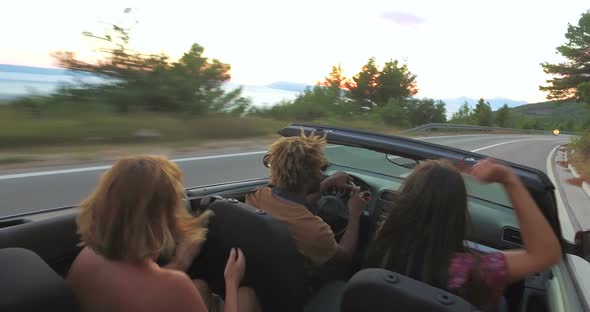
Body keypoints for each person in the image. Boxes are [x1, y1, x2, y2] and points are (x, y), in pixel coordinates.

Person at [364, 158, 562, 311]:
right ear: (458, 213)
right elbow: (546, 254)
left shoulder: (382, 246)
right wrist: (508, 179)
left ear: (404, 202)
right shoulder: (472, 271)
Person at [67, 155, 260, 312]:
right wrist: (231, 281)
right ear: (164, 216)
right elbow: (156, 289)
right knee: (245, 296)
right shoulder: (174, 287)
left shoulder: (87, 257)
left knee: (200, 286)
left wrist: (181, 262)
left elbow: (142, 288)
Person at [246, 133, 369, 268]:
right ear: (309, 177)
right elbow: (343, 259)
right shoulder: (314, 231)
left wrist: (328, 182)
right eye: (319, 169)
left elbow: (292, 204)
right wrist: (354, 215)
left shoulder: (256, 196)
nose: (321, 173)